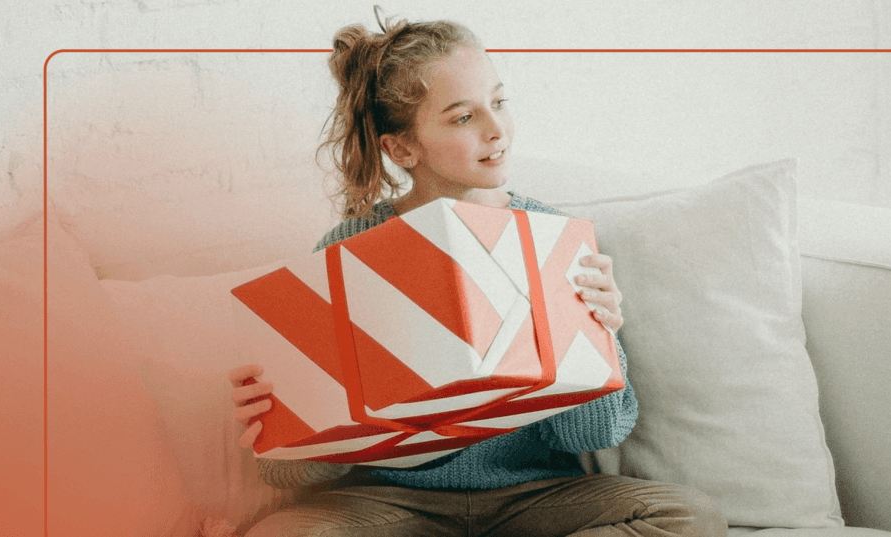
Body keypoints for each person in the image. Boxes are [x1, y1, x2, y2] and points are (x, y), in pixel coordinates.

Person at [229, 11, 727, 537]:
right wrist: (285, 420)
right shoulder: (347, 250)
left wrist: (597, 335)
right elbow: (285, 472)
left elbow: (595, 432)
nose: (496, 130)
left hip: (532, 498)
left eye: (499, 102)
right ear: (402, 148)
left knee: (690, 517)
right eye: (463, 118)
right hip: (388, 505)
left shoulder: (550, 235)